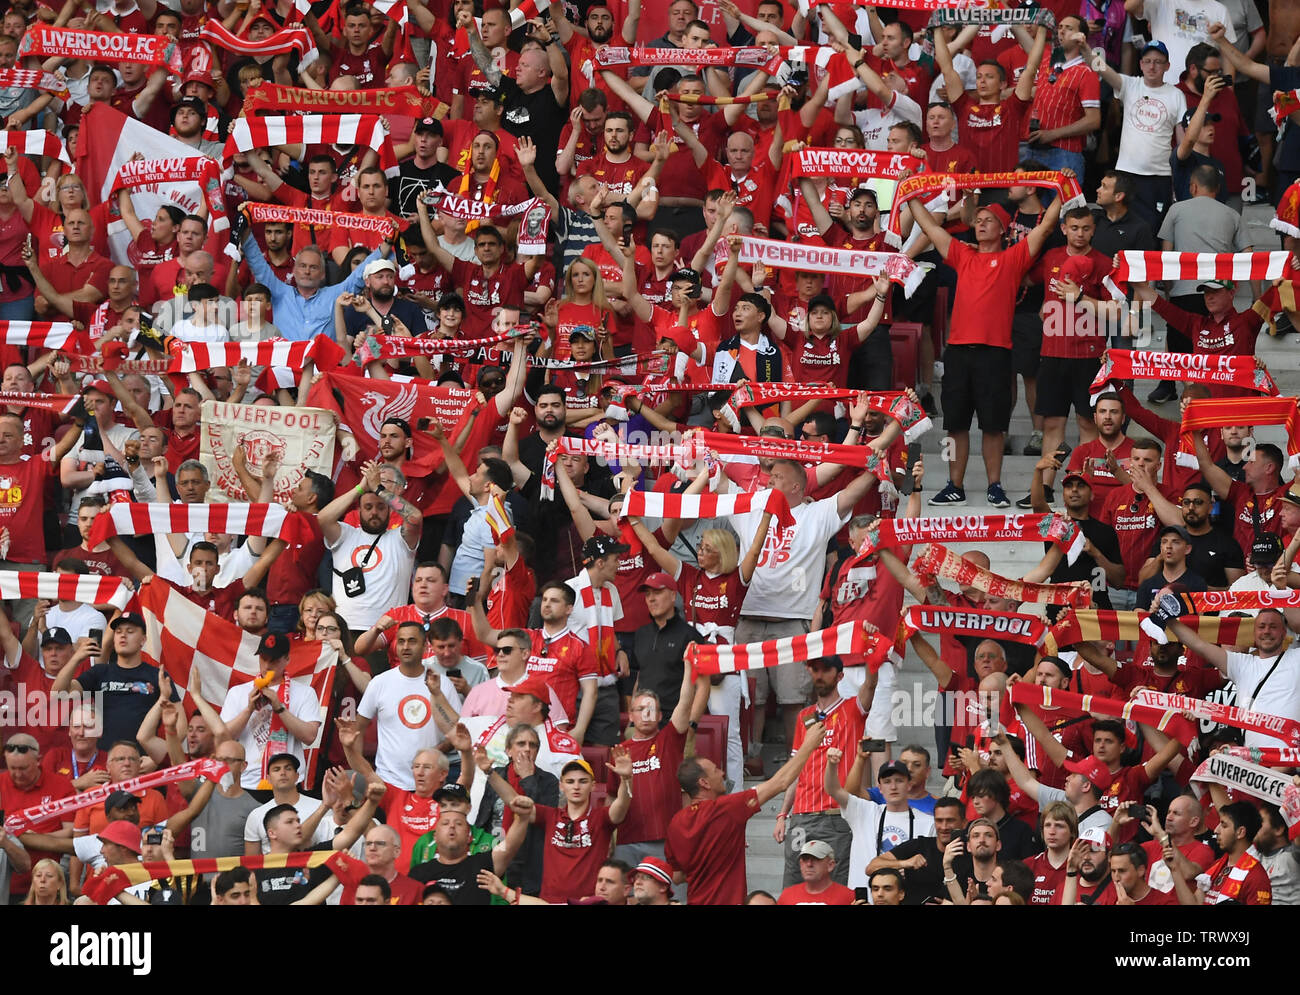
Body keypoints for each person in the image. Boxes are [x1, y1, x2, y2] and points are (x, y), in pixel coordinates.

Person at [665, 719, 826, 905]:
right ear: (704, 783)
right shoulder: (726, 809)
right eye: (715, 770)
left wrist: (714, 857)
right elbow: (780, 782)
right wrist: (808, 745)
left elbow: (677, 876)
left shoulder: (675, 823)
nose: (722, 773)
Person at [775, 656, 881, 889]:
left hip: (837, 816)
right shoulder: (804, 716)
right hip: (802, 815)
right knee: (793, 888)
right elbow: (796, 767)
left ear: (840, 675)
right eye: (814, 669)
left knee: (837, 889)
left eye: (825, 669)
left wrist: (873, 652)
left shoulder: (854, 708)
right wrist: (783, 814)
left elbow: (871, 684)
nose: (819, 674)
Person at [354, 621, 461, 791]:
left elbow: (458, 731)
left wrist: (438, 750)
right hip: (388, 782)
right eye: (401, 641)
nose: (405, 646)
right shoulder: (380, 683)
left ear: (425, 646)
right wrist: (367, 773)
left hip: (431, 784)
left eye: (412, 641)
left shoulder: (442, 683)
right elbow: (357, 729)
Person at [776, 839, 856, 905]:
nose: (809, 864)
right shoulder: (787, 895)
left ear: (830, 865)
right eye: (805, 859)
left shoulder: (849, 897)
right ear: (800, 864)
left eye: (816, 859)